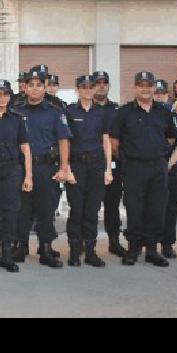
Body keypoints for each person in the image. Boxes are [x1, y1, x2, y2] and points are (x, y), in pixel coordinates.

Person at [110, 71, 177, 267]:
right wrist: (128, 160)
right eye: (141, 85)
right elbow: (114, 142)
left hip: (158, 167)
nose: (145, 89)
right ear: (135, 87)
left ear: (154, 88)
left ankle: (152, 250)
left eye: (149, 85)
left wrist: (159, 153)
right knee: (134, 209)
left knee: (157, 209)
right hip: (134, 168)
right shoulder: (124, 112)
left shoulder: (164, 112)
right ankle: (134, 248)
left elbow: (172, 138)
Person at [12, 69, 72, 268]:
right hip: (23, 169)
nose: (35, 88)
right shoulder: (17, 111)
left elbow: (63, 140)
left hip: (47, 168)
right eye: (31, 85)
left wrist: (63, 167)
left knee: (46, 209)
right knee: (22, 210)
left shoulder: (55, 112)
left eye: (39, 85)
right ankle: (20, 246)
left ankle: (45, 248)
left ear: (45, 87)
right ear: (25, 87)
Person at [0, 79, 31, 273]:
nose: (2, 97)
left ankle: (7, 255)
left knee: (11, 212)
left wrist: (28, 176)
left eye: (5, 94)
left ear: (10, 97)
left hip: (12, 170)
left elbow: (25, 148)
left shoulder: (17, 119)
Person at [64, 75, 113, 267]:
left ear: (94, 89)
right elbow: (65, 142)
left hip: (96, 165)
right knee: (76, 209)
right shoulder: (69, 111)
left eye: (90, 87)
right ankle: (75, 250)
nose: (87, 90)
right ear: (77, 89)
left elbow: (106, 140)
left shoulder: (102, 112)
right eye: (83, 87)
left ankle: (91, 251)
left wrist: (108, 169)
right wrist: (66, 167)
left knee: (92, 210)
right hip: (76, 165)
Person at [92, 70, 126, 258]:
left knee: (112, 205)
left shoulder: (117, 110)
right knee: (90, 205)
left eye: (105, 82)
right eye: (98, 82)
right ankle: (86, 243)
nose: (101, 85)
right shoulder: (87, 108)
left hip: (114, 165)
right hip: (91, 164)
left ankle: (114, 241)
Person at [154, 80, 177, 259]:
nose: (159, 96)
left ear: (167, 95)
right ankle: (150, 244)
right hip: (151, 168)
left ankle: (167, 244)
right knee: (151, 207)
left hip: (171, 168)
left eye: (162, 93)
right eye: (156, 92)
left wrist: (167, 165)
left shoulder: (175, 115)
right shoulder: (145, 115)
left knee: (172, 206)